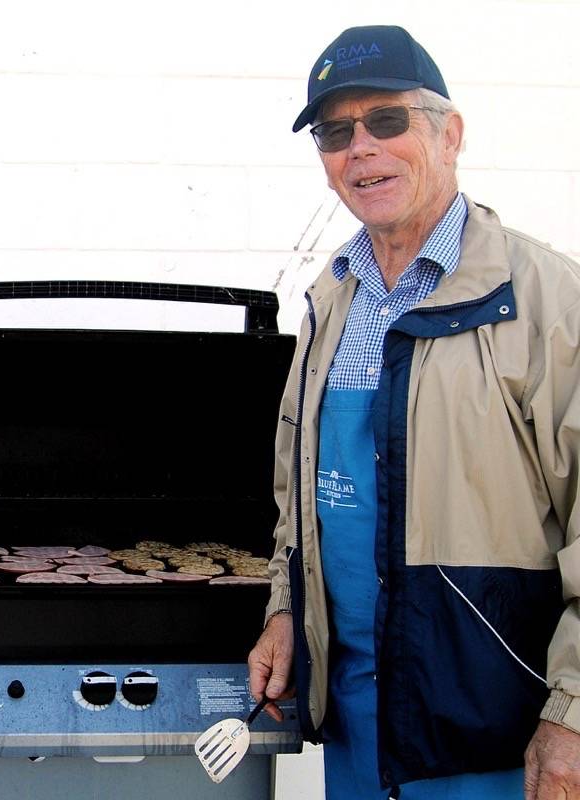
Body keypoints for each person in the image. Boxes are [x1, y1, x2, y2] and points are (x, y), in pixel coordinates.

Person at [247, 24, 580, 800]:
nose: (360, 148)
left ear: (450, 133)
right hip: (360, 729)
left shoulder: (547, 302)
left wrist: (572, 714)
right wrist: (287, 609)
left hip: (497, 735)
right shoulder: (333, 300)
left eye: (387, 121)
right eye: (336, 131)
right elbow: (301, 500)